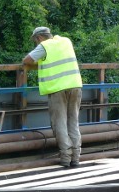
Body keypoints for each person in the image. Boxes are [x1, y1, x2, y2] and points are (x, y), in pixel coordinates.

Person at [23, 27, 83, 168]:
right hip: (75, 85)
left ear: (39, 38)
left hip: (58, 89)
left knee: (59, 123)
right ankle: (76, 157)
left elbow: (26, 60)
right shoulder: (66, 41)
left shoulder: (44, 46)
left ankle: (66, 158)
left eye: (36, 41)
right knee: (73, 122)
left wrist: (38, 64)